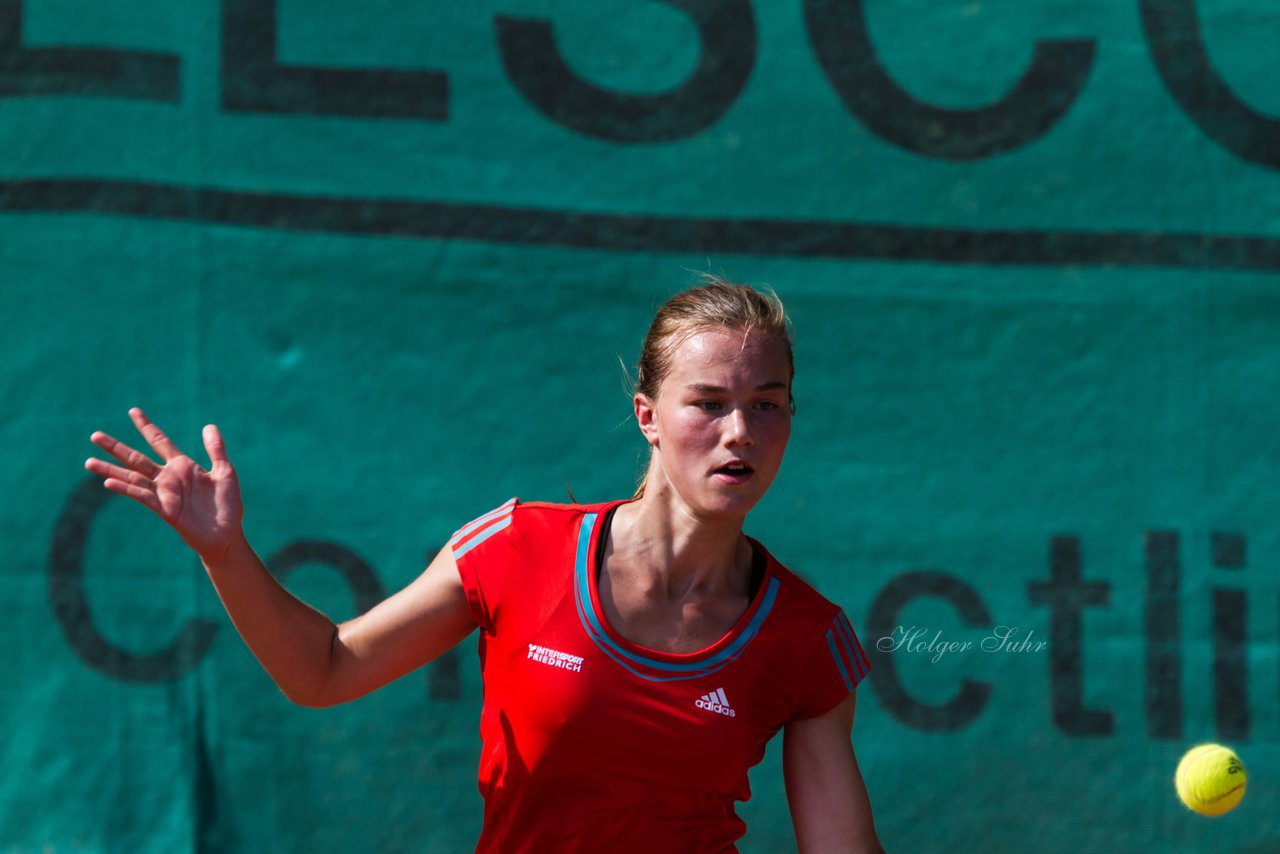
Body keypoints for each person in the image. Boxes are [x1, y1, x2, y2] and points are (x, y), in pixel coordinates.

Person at [84, 278, 884, 853]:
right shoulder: (516, 548)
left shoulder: (806, 639)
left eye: (767, 403)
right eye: (708, 403)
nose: (740, 431)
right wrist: (226, 555)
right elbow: (322, 671)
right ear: (647, 416)